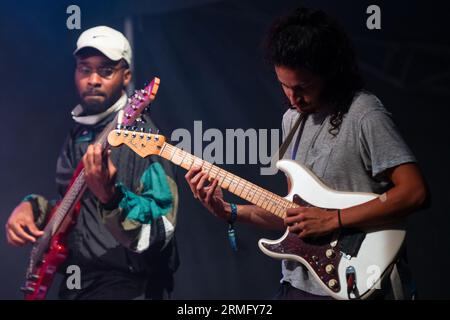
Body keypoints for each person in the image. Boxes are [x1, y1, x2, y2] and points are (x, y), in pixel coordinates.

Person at [185, 7, 429, 299]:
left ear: (330, 72)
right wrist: (229, 212)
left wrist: (334, 219)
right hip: (299, 284)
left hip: (359, 278)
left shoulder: (364, 114)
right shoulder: (292, 119)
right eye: (284, 86)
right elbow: (295, 215)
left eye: (303, 86)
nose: (293, 97)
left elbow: (415, 192)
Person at [5, 26, 179, 299]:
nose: (93, 79)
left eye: (106, 71)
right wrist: (32, 207)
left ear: (126, 76)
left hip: (129, 287)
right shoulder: (78, 135)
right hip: (78, 284)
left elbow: (161, 227)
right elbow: (74, 208)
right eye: (85, 69)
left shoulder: (142, 136)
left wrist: (112, 198)